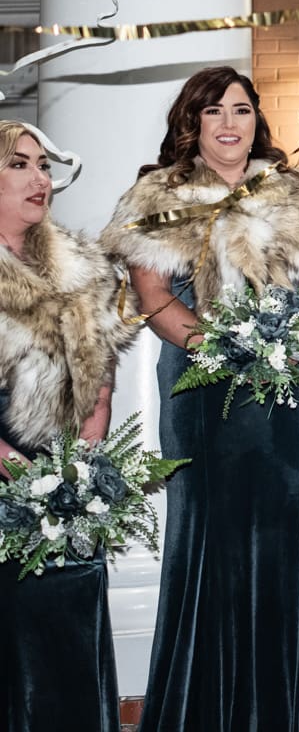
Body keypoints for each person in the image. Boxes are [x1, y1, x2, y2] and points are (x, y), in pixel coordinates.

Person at [101, 66, 299, 732]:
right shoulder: (156, 195)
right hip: (204, 391)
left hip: (291, 391)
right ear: (191, 123)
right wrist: (216, 348)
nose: (228, 123)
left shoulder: (293, 189)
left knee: (297, 536)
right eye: (212, 111)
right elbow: (151, 295)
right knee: (212, 543)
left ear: (256, 121)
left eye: (241, 110)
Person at [0, 121, 137, 732]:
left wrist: (79, 468)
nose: (40, 179)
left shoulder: (84, 265)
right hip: (6, 482)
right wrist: (18, 476)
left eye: (43, 166)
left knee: (73, 641)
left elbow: (101, 376)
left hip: (70, 482)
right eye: (19, 165)